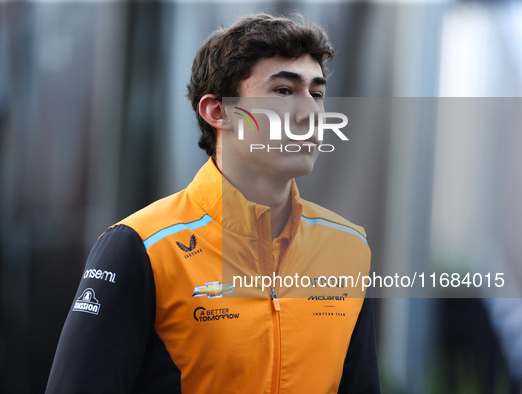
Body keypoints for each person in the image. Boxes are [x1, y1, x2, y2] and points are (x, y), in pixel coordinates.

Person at [46, 13, 380, 393]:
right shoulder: (140, 246)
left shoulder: (349, 249)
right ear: (217, 111)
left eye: (316, 94)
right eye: (284, 91)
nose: (310, 113)